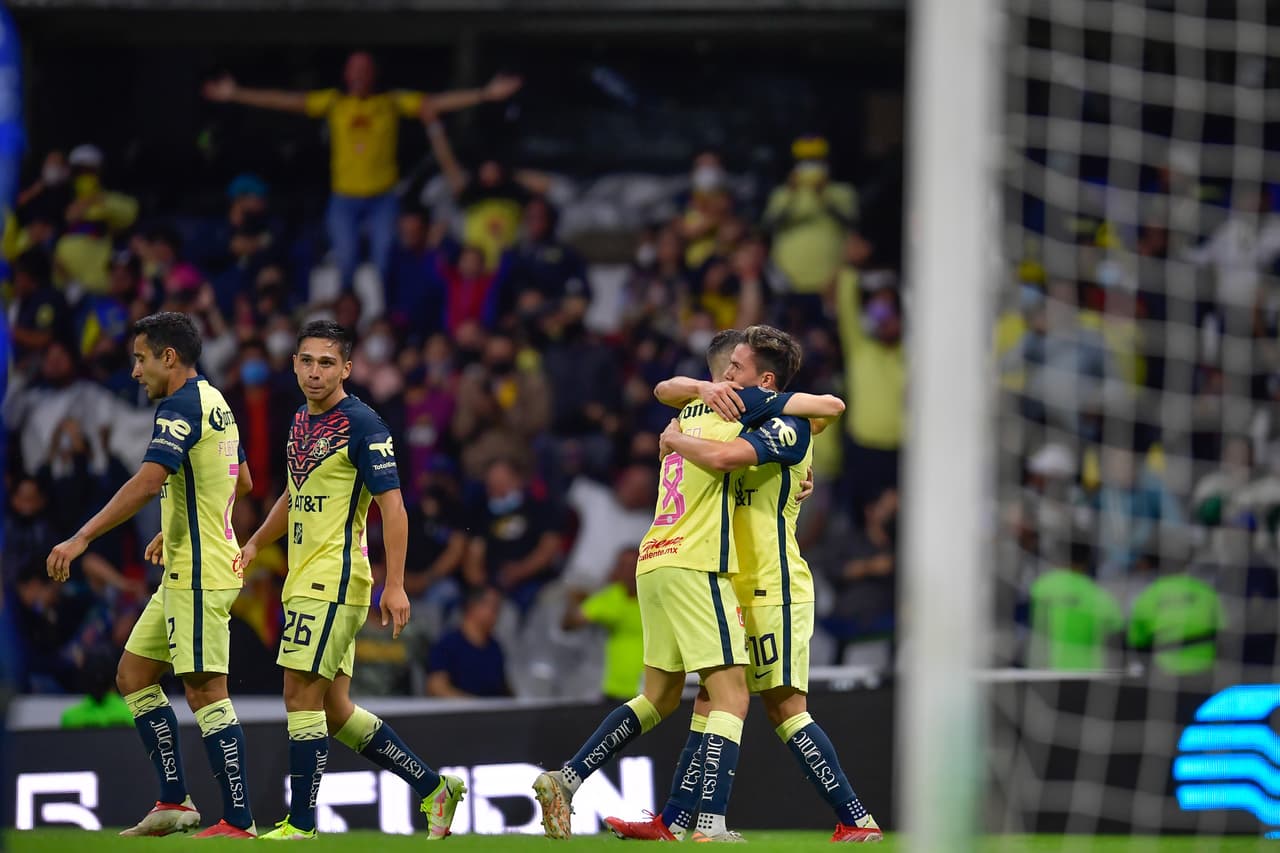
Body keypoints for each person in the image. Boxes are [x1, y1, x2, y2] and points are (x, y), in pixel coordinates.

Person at [532, 330, 845, 841]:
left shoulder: (684, 415)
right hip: (699, 563)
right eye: (731, 369)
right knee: (732, 696)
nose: (729, 377)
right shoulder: (735, 414)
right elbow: (818, 412)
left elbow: (665, 389)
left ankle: (568, 778)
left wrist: (791, 478)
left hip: (652, 557)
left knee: (657, 698)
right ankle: (710, 822)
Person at [608, 324, 880, 843]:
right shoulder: (736, 414)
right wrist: (698, 394)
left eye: (736, 368)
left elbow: (828, 408)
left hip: (774, 585)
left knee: (782, 707)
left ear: (766, 380)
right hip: (731, 579)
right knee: (712, 695)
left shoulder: (790, 422)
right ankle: (675, 820)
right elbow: (665, 390)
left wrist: (674, 439)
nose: (725, 376)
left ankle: (854, 818)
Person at [234, 320, 465, 840]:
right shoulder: (299, 420)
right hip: (304, 578)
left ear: (347, 368)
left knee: (297, 696)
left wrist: (397, 583)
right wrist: (254, 544)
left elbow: (395, 510)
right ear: (294, 364)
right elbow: (294, 494)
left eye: (326, 363)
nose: (315, 372)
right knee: (335, 711)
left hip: (335, 581)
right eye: (307, 361)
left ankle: (302, 823)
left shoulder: (364, 425)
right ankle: (434, 789)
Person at [45, 312, 257, 837]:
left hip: (203, 573)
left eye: (140, 358)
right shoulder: (216, 401)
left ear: (168, 357)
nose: (135, 371)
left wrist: (82, 537)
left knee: (206, 690)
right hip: (188, 567)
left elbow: (145, 482)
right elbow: (243, 480)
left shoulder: (181, 404)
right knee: (134, 675)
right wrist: (183, 520)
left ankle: (240, 820)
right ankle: (173, 801)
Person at [203, 54, 521, 288]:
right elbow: (286, 101)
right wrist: (237, 93)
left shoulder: (391, 102)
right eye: (354, 69)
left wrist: (485, 94)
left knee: (383, 263)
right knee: (346, 261)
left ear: (374, 74)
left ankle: (382, 321)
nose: (359, 75)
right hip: (345, 199)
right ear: (345, 73)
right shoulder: (334, 102)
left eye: (365, 69)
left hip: (383, 199)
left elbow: (434, 103)